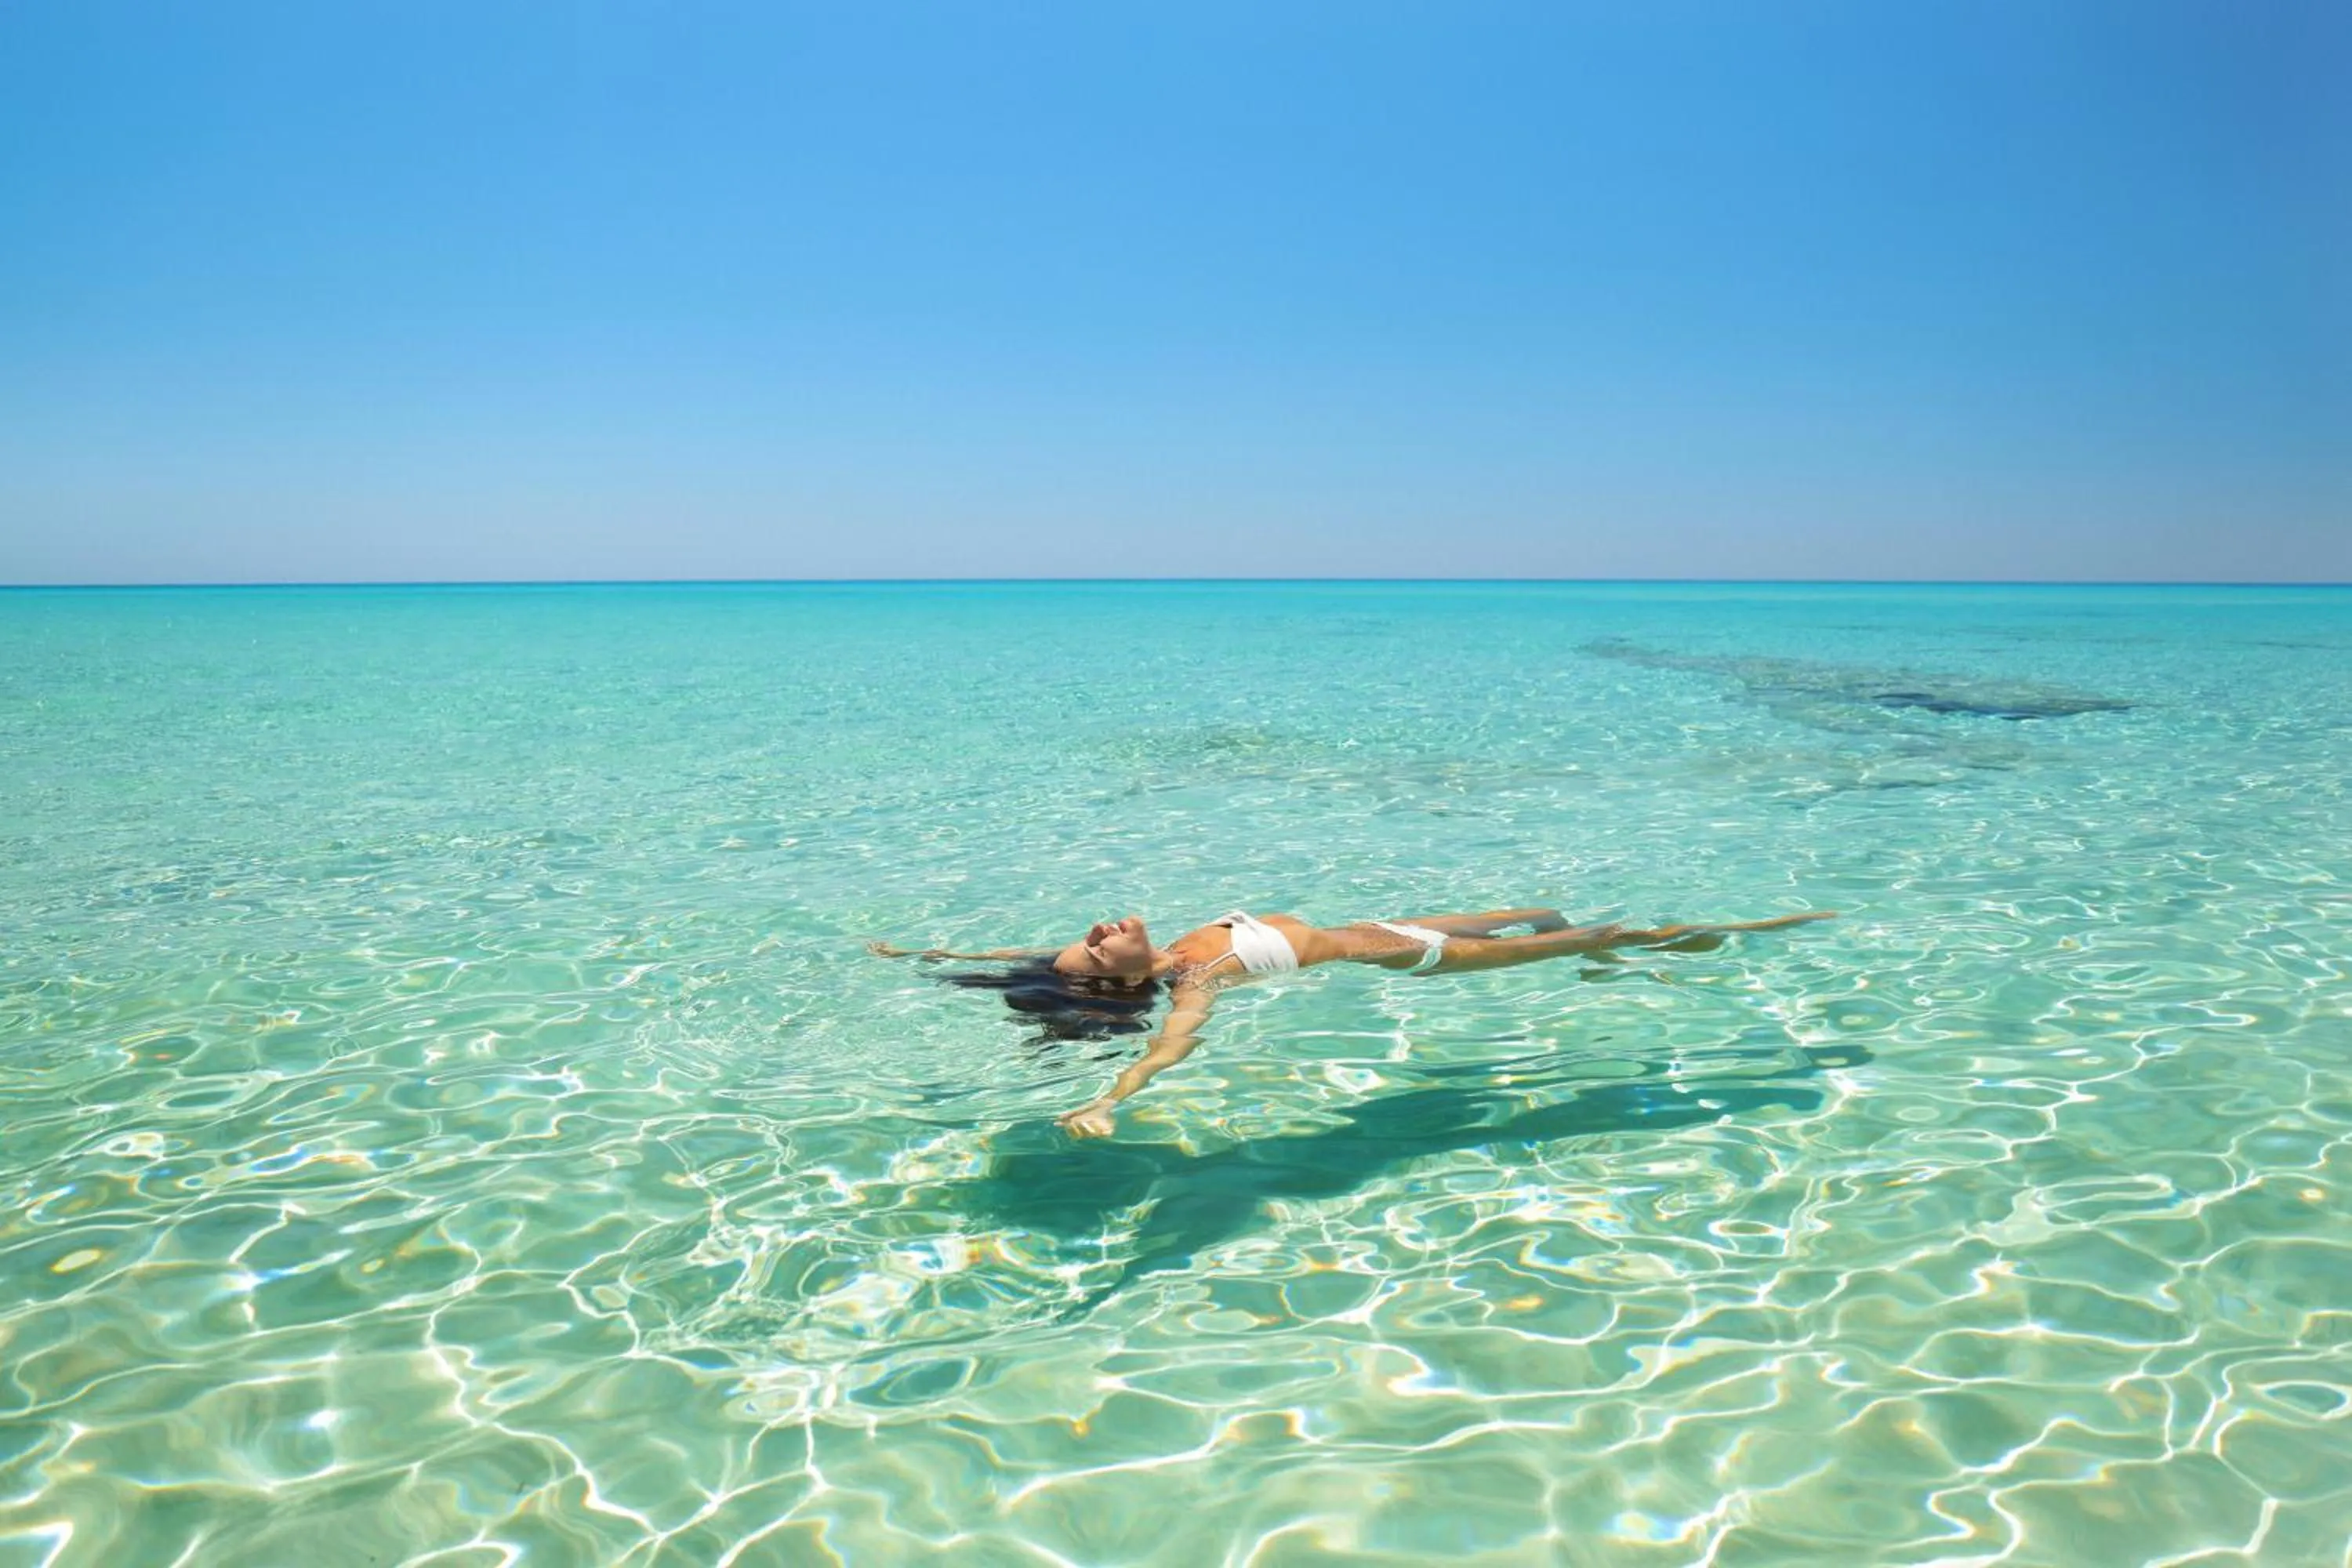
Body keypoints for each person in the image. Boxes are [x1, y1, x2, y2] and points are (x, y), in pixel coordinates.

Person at [869, 906, 1835, 1138]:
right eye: (1096, 944)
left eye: (1092, 931)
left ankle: (1610, 953)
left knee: (1539, 911)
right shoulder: (1194, 980)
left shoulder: (1166, 949)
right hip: (1408, 950)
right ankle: (1714, 935)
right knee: (1588, 932)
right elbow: (1177, 1044)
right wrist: (1111, 1095)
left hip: (1389, 915)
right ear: (1120, 982)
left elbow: (1015, 952)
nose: (1101, 928)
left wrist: (927, 957)